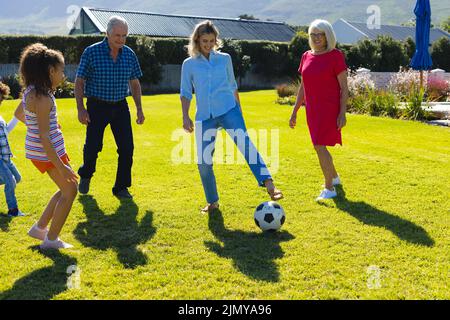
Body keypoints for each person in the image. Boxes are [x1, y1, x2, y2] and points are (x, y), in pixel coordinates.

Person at [180, 20, 283, 213]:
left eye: (212, 40)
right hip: (204, 117)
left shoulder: (224, 59)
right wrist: (185, 117)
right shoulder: (189, 64)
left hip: (229, 110)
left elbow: (232, 85)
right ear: (196, 40)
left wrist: (239, 111)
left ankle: (269, 184)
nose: (209, 45)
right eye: (204, 41)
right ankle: (213, 202)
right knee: (203, 163)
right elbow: (185, 92)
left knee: (246, 145)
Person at [15, 43, 78, 249]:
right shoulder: (42, 98)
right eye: (61, 70)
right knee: (70, 190)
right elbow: (43, 135)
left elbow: (20, 114)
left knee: (65, 189)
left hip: (41, 151)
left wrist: (40, 126)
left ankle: (40, 228)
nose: (63, 75)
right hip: (47, 153)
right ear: (51, 71)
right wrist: (61, 166)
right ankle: (51, 240)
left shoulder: (31, 91)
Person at [75, 15, 145, 199]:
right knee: (93, 146)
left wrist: (139, 108)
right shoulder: (91, 52)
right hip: (96, 106)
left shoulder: (129, 54)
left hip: (120, 106)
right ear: (107, 33)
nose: (121, 40)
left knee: (127, 148)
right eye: (117, 35)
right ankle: (86, 174)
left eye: (124, 36)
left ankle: (121, 187)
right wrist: (81, 108)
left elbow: (135, 83)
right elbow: (79, 81)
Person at [289, 19, 349, 201]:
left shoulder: (335, 56)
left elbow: (344, 88)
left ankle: (329, 187)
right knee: (319, 145)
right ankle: (335, 178)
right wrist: (295, 110)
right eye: (312, 34)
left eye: (319, 34)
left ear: (327, 36)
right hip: (312, 110)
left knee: (319, 146)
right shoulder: (306, 56)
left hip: (329, 109)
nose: (315, 38)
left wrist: (342, 113)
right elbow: (303, 87)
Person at [0, 82, 24, 217]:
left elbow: (6, 131)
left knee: (17, 178)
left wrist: (17, 118)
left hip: (7, 157)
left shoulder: (0, 118)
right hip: (0, 160)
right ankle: (13, 211)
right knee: (11, 181)